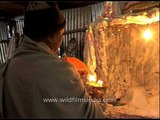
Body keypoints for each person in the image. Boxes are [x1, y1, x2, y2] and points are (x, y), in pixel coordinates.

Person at [3, 2, 105, 119]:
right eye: (61, 35)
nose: (61, 40)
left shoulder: (8, 69)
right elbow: (90, 114)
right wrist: (98, 104)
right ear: (51, 37)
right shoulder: (63, 71)